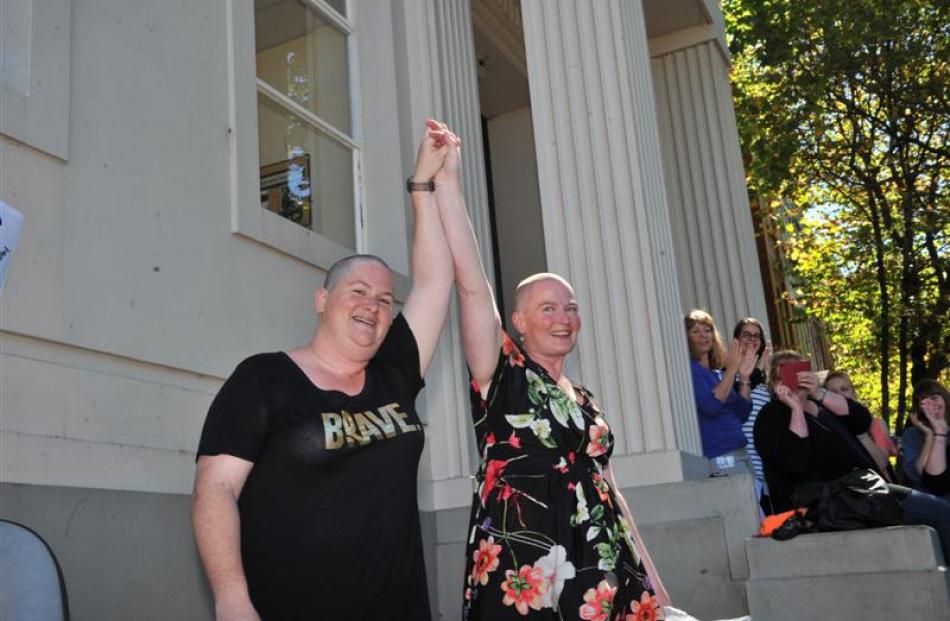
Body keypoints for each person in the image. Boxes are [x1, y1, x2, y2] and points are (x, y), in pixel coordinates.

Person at [191, 121, 458, 620]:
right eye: (357, 292)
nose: (372, 306)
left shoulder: (394, 372)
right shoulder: (264, 378)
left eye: (384, 300)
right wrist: (231, 597)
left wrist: (424, 187)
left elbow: (435, 281)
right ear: (322, 300)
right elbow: (215, 487)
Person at [426, 122, 669, 619]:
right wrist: (447, 186)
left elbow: (610, 487)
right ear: (517, 321)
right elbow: (471, 285)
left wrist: (651, 574)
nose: (563, 318)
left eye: (570, 308)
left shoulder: (584, 399)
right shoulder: (504, 377)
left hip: (604, 562)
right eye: (548, 309)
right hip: (527, 567)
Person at [753, 351, 950, 559]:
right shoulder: (770, 416)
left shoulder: (820, 404)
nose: (795, 376)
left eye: (800, 369)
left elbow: (861, 419)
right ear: (775, 382)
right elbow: (796, 462)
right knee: (941, 513)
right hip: (830, 503)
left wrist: (819, 393)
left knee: (942, 510)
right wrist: (796, 409)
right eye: (785, 371)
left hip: (863, 489)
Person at [685, 310, 757, 474]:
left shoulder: (717, 374)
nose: (703, 335)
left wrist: (744, 378)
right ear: (686, 338)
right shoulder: (691, 370)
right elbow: (711, 406)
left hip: (741, 450)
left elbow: (742, 413)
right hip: (720, 453)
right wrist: (732, 369)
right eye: (695, 331)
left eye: (707, 330)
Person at [823, 371, 897, 481]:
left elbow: (881, 465)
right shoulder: (825, 428)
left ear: (854, 393)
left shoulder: (875, 424)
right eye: (833, 392)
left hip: (880, 491)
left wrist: (858, 427)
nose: (840, 395)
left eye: (844, 389)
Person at [732, 318, 772, 513]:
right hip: (744, 463)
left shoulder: (767, 382)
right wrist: (757, 371)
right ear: (737, 340)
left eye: (756, 336)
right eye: (746, 334)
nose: (751, 339)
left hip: (767, 465)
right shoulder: (727, 375)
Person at [901, 380, 950, 498]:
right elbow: (916, 476)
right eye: (924, 402)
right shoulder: (912, 434)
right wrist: (929, 437)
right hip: (927, 500)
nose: (931, 405)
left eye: (934, 398)